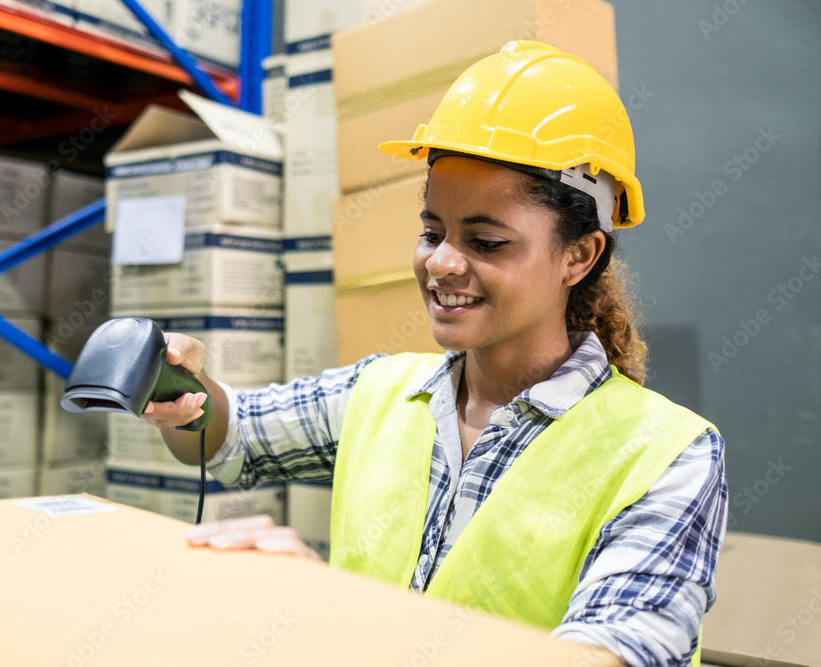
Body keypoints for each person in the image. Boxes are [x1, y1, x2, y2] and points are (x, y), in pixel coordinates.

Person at [141, 41, 727, 667]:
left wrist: (336, 615)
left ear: (578, 256)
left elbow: (611, 654)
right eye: (431, 232)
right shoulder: (382, 391)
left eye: (486, 240)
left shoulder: (669, 456)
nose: (441, 262)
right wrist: (181, 387)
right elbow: (231, 436)